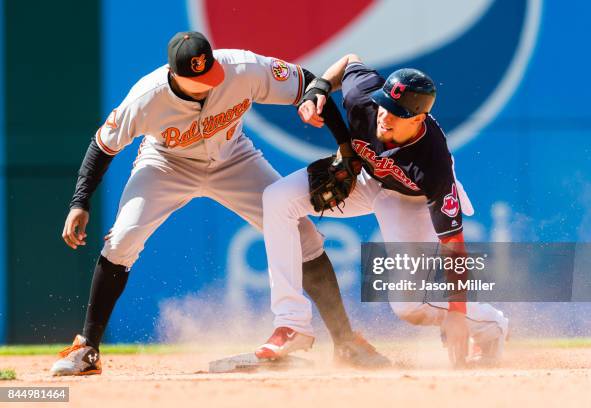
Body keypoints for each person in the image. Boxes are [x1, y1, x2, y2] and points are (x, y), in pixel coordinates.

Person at [51, 33, 390, 376]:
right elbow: (102, 146)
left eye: (208, 74)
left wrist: (345, 147)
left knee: (303, 236)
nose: (207, 84)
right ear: (174, 74)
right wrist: (80, 201)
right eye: (196, 80)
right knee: (122, 240)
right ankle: (87, 347)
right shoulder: (146, 96)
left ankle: (346, 342)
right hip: (166, 164)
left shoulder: (242, 68)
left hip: (233, 158)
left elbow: (309, 85)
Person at [255, 54, 509, 366]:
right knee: (277, 198)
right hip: (365, 177)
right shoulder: (364, 98)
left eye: (397, 113)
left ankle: (491, 325)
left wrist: (456, 313)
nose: (385, 116)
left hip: (411, 201)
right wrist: (319, 87)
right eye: (385, 104)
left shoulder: (433, 163)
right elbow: (349, 61)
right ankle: (291, 323)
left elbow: (454, 245)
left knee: (409, 307)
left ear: (418, 119)